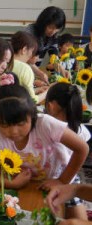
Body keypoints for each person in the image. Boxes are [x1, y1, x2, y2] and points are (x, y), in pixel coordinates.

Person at [0, 85, 88, 190]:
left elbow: (82, 148)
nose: (14, 132)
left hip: (62, 178)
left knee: (70, 211)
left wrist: (62, 181)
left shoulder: (45, 124)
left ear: (32, 115)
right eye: (5, 125)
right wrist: (12, 184)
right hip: (28, 186)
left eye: (21, 123)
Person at [45, 82, 90, 220]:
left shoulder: (78, 131)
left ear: (50, 106)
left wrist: (62, 180)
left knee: (77, 219)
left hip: (66, 178)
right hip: (48, 179)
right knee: (51, 214)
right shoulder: (43, 124)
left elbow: (80, 154)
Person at [25, 6, 66, 84]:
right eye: (50, 27)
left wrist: (60, 67)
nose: (53, 31)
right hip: (23, 71)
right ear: (43, 23)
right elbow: (24, 59)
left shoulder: (54, 35)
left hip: (33, 73)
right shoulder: (30, 33)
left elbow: (53, 53)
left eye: (57, 28)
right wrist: (40, 73)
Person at [11, 31, 47, 103]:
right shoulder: (25, 68)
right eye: (31, 51)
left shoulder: (3, 63)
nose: (31, 55)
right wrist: (48, 92)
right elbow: (32, 101)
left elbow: (13, 93)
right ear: (24, 50)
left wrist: (37, 90)